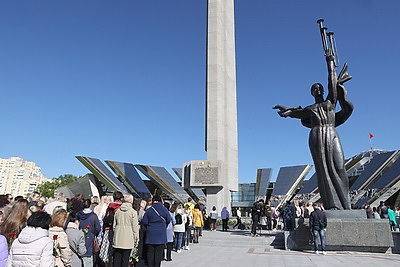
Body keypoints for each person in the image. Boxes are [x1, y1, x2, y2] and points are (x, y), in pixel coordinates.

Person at [274, 51, 353, 210]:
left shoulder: (330, 102)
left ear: (323, 90)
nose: (317, 90)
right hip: (316, 136)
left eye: (319, 88)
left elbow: (332, 83)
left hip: (331, 133)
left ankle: (346, 204)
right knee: (323, 168)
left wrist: (330, 62)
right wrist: (285, 110)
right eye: (314, 89)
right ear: (311, 93)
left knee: (339, 167)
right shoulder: (310, 109)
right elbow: (294, 113)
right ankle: (333, 205)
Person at [141, 195, 170, 267]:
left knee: (150, 252)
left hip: (151, 233)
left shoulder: (149, 210)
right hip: (161, 233)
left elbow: (144, 221)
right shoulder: (164, 209)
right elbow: (168, 220)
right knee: (158, 252)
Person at [112, 194, 139, 267]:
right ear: (131, 201)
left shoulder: (118, 211)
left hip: (118, 236)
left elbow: (114, 225)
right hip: (128, 237)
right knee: (125, 259)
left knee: (117, 258)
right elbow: (135, 227)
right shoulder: (133, 212)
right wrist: (136, 239)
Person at [99, 191, 123, 266]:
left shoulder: (110, 206)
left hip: (108, 228)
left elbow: (105, 216)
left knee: (106, 249)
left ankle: (106, 263)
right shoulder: (122, 207)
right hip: (118, 230)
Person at [77, 199, 101, 267]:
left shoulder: (78, 214)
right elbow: (98, 228)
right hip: (90, 237)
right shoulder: (93, 216)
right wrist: (94, 234)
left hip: (79, 237)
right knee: (89, 257)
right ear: (90, 205)